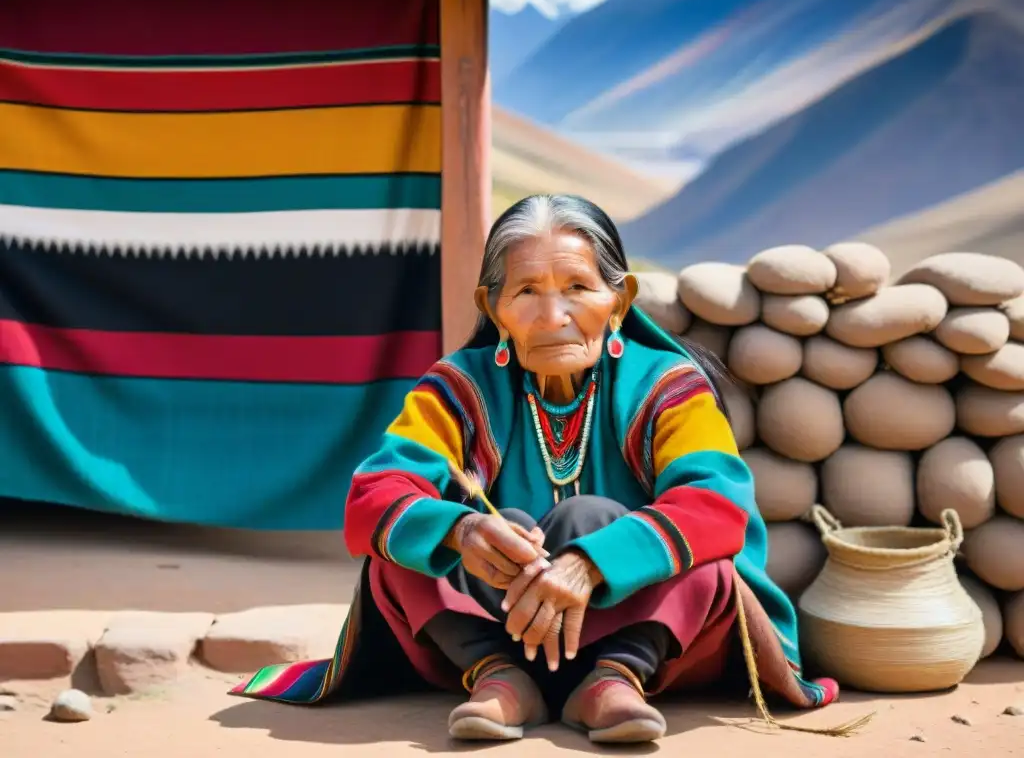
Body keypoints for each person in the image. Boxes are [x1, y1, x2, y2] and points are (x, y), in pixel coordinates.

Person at [230, 194, 839, 743]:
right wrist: (461, 532)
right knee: (405, 552)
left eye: (577, 287)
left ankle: (615, 679)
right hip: (494, 625)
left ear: (619, 301)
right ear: (493, 308)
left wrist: (589, 562)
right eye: (526, 292)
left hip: (647, 628)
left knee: (661, 543)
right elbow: (372, 496)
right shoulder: (458, 388)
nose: (553, 316)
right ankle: (500, 679)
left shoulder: (668, 388)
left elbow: (718, 505)